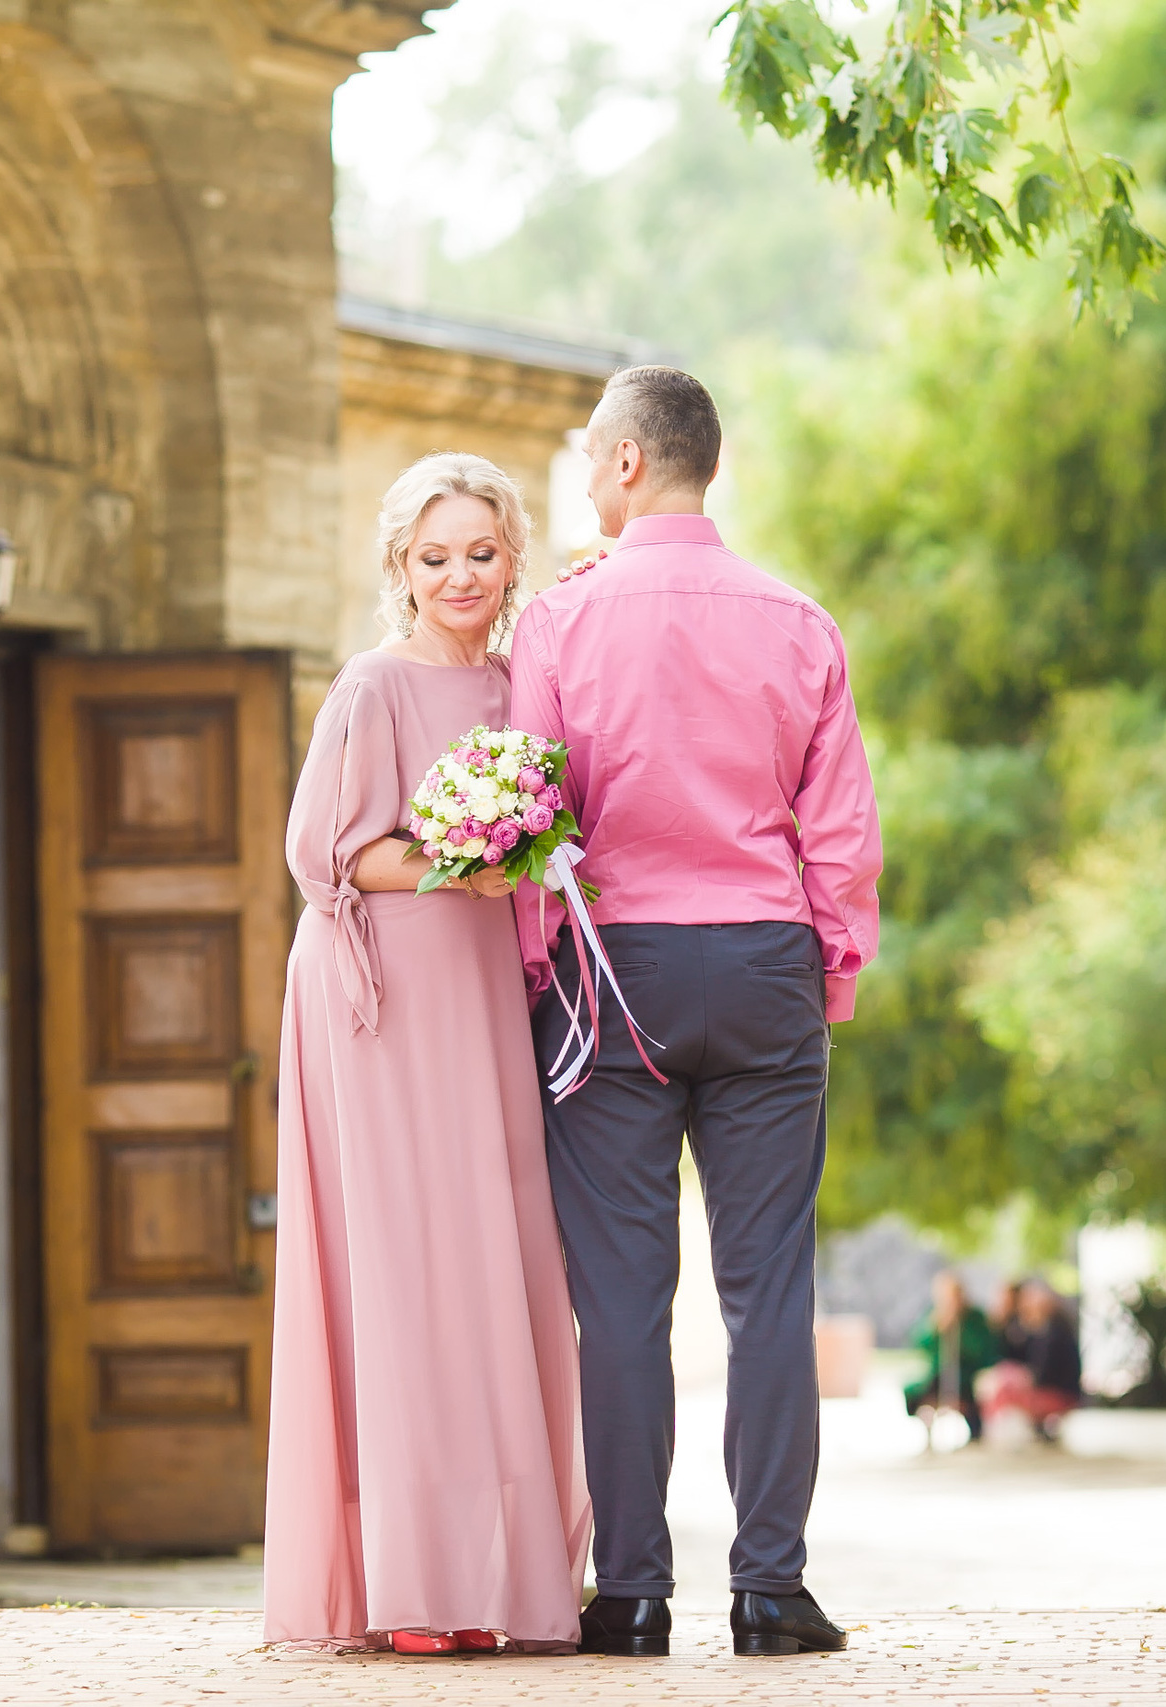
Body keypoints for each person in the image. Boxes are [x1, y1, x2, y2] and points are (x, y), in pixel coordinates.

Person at [511, 366, 882, 1660]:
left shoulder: (559, 623)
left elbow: (532, 818)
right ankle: (771, 1591)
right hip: (768, 964)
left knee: (620, 1299)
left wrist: (540, 972)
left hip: (613, 976)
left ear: (625, 462)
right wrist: (830, 975)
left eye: (588, 457)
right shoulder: (799, 621)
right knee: (769, 1286)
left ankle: (631, 1593)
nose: (586, 478)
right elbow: (840, 833)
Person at [262, 453, 592, 1656]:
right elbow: (330, 855)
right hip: (384, 995)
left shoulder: (519, 688)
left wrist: (517, 853)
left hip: (483, 989)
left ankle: (498, 1577)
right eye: (434, 556)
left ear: (512, 559)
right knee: (403, 1266)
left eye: (481, 553)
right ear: (400, 567)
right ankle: (411, 1585)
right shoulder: (371, 685)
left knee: (495, 1256)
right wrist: (468, 859)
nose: (460, 575)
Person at [979, 1279, 1086, 1440]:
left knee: (1006, 1394)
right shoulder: (1032, 1332)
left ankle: (998, 1434)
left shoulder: (1054, 1333)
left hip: (1060, 1394)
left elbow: (1042, 1375)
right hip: (1046, 1390)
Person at [907, 1270, 998, 1442]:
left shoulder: (975, 1317)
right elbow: (921, 1343)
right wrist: (936, 1327)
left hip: (967, 1372)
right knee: (921, 1389)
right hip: (941, 1370)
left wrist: (960, 1328)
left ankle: (975, 1431)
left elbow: (982, 1348)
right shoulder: (934, 1315)